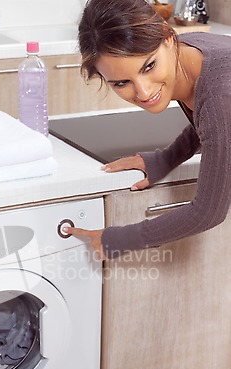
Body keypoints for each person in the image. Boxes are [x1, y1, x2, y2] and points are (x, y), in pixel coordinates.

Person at [64, 0, 231, 262]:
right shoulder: (191, 51)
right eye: (121, 82)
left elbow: (209, 211)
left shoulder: (220, 92)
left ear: (167, 37)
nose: (143, 92)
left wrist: (116, 240)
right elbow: (215, 123)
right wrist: (166, 158)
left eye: (149, 66)